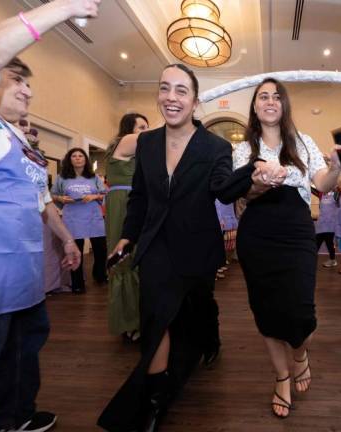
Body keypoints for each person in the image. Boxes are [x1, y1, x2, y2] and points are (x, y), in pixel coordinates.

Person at [0, 1, 97, 430]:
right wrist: (66, 7)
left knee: (20, 357)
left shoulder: (16, 138)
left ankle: (16, 419)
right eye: (17, 80)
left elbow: (39, 199)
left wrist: (67, 239)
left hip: (21, 276)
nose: (28, 91)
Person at [98, 64, 248, 432]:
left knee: (199, 308)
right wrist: (126, 238)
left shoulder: (216, 146)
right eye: (165, 88)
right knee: (157, 319)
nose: (171, 97)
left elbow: (223, 190)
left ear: (195, 101)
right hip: (156, 247)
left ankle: (210, 339)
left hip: (197, 247)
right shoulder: (147, 143)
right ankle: (153, 401)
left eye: (181, 90)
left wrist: (252, 173)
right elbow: (140, 197)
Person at [232, 77, 341, 418]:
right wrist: (259, 183)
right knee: (266, 312)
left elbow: (321, 183)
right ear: (255, 106)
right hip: (257, 234)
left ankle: (300, 353)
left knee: (301, 313)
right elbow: (242, 195)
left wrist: (335, 167)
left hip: (296, 230)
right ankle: (281, 376)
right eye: (263, 96)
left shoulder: (303, 142)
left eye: (277, 96)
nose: (270, 101)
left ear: (284, 104)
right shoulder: (243, 148)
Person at [104, 112, 149, 342]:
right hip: (124, 204)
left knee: (138, 260)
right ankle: (130, 322)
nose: (144, 130)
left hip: (135, 202)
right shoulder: (126, 141)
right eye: (140, 126)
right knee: (126, 260)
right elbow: (159, 134)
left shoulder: (137, 152)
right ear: (128, 128)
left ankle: (139, 318)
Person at [52, 147, 108, 293]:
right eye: (74, 156)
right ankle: (77, 283)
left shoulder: (94, 177)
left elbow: (104, 193)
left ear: (85, 160)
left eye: (80, 156)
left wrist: (94, 196)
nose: (77, 158)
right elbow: (51, 195)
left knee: (101, 249)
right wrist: (60, 198)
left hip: (93, 217)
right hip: (72, 217)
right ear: (69, 159)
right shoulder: (61, 177)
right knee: (75, 250)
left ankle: (100, 275)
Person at [313, 179, 339, 268]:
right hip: (321, 224)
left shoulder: (335, 194)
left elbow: (340, 192)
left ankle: (332, 260)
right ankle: (311, 260)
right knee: (316, 243)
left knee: (329, 243)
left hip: (330, 225)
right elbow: (312, 189)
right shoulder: (321, 194)